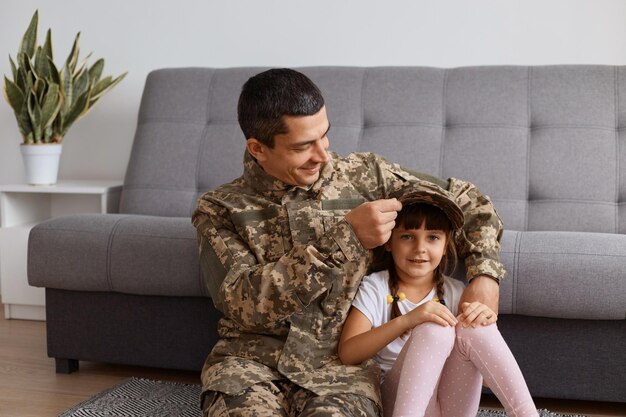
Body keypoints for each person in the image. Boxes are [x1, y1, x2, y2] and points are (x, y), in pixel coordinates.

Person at [192, 68, 505, 416]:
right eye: (302, 146)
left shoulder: (366, 176)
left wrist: (485, 276)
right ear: (258, 148)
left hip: (341, 370)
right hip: (249, 365)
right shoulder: (220, 208)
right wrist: (347, 237)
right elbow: (243, 303)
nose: (323, 155)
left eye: (324, 136)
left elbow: (470, 201)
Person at [338, 188, 538, 417]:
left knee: (476, 324)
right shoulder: (376, 286)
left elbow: (486, 383)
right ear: (389, 242)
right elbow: (348, 353)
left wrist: (487, 325)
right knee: (436, 328)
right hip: (400, 404)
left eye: (432, 237)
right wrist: (409, 320)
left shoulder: (455, 291)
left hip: (451, 404)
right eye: (407, 236)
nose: (420, 248)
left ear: (445, 246)